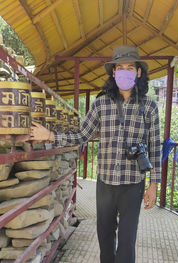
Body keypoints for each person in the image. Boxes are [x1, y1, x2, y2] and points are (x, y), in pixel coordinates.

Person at [30, 45, 161, 263]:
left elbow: (155, 147)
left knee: (127, 243)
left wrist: (154, 185)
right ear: (113, 72)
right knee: (105, 239)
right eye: (120, 67)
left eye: (130, 67)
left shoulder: (149, 107)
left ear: (138, 72)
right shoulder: (101, 104)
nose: (125, 72)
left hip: (132, 184)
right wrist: (50, 135)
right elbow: (82, 135)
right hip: (105, 184)